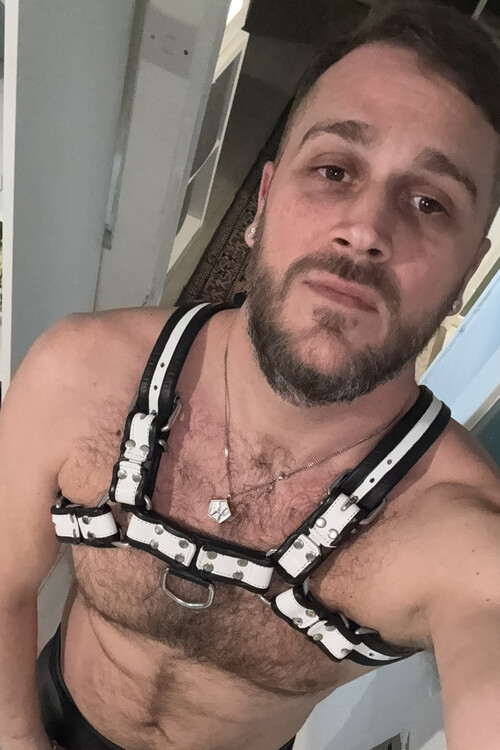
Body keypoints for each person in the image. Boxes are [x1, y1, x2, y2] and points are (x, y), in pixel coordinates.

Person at [2, 1, 500, 749]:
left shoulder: (458, 530)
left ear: (466, 273)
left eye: (430, 203)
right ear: (262, 202)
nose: (365, 230)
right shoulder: (78, 376)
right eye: (334, 170)